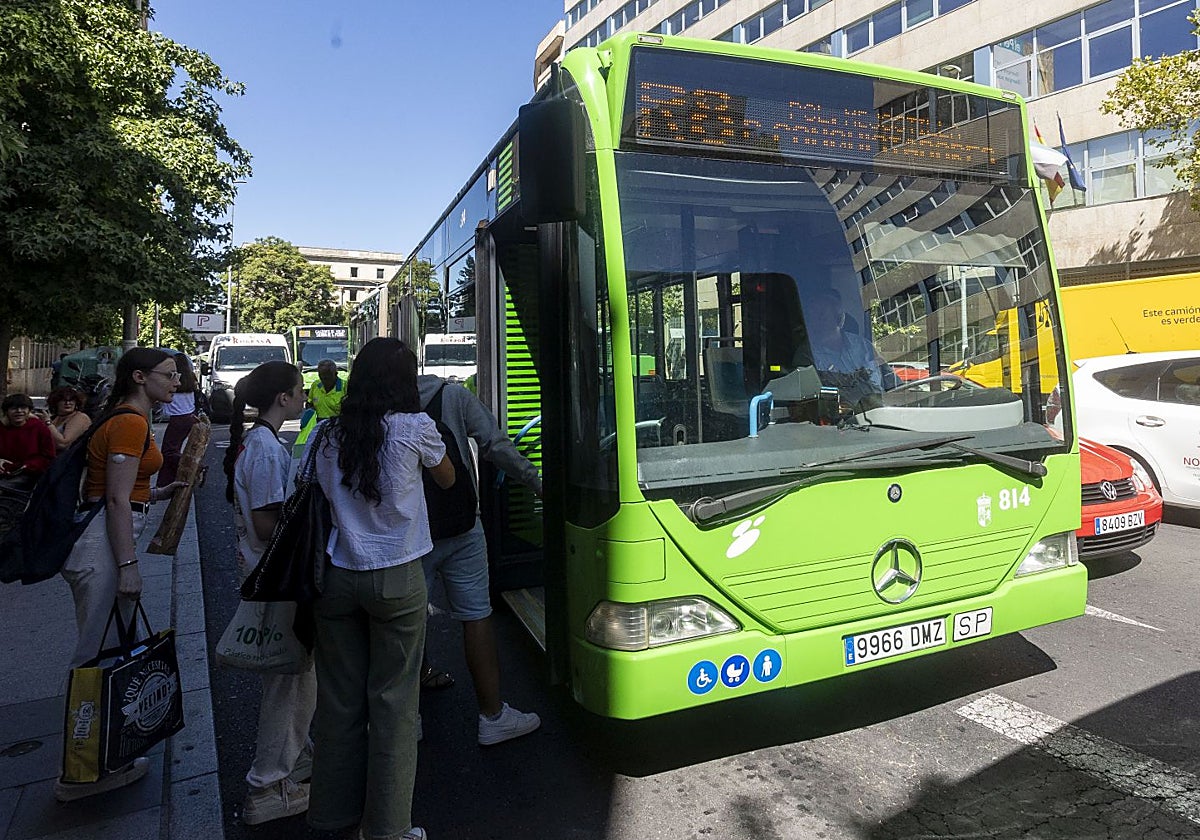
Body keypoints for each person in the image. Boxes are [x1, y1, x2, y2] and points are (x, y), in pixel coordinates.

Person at [306, 337, 453, 840]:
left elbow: (311, 493)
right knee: (393, 704)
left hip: (337, 575)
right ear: (404, 380)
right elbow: (449, 479)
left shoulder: (327, 433)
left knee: (339, 701)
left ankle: (331, 814)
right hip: (396, 575)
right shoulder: (415, 429)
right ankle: (388, 828)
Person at [54, 348, 187, 802]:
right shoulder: (130, 422)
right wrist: (128, 566)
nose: (176, 382)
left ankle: (104, 756)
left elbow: (123, 489)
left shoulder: (126, 418)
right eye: (169, 375)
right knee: (96, 658)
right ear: (139, 376)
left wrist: (161, 491)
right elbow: (112, 500)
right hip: (105, 545)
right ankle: (82, 770)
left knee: (110, 650)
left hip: (108, 539)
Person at [417, 374, 543, 745]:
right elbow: (495, 443)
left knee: (405, 623)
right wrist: (536, 480)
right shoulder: (452, 395)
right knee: (476, 616)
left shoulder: (375, 404)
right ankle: (492, 716)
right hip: (461, 527)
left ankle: (407, 719)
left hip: (408, 536)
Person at [222, 360, 317, 825]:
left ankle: (294, 762)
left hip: (268, 577)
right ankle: (267, 788)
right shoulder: (263, 449)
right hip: (276, 579)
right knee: (290, 685)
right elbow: (265, 523)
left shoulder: (259, 442)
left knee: (293, 682)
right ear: (283, 398)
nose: (304, 397)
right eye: (299, 390)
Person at [793, 286, 885, 409]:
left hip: (875, 415)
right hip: (832, 421)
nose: (817, 319)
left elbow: (890, 381)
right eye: (812, 315)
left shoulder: (863, 346)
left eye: (822, 313)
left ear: (839, 315)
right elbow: (806, 399)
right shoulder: (805, 354)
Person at [157, 354, 204, 488]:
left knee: (169, 452)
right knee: (173, 450)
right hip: (189, 416)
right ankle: (169, 481)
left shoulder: (174, 379)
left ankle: (194, 467)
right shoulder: (190, 378)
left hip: (177, 418)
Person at [0, 393, 55, 485]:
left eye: (23, 408)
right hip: (4, 471)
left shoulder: (39, 428)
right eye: (13, 408)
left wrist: (28, 465)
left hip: (29, 474)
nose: (19, 411)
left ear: (29, 411)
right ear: (7, 412)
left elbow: (48, 456)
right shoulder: (2, 428)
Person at [45, 387, 93, 454]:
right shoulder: (56, 418)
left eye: (71, 400)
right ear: (55, 402)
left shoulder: (80, 417)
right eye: (63, 400)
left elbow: (63, 444)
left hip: (69, 461)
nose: (68, 403)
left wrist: (48, 423)